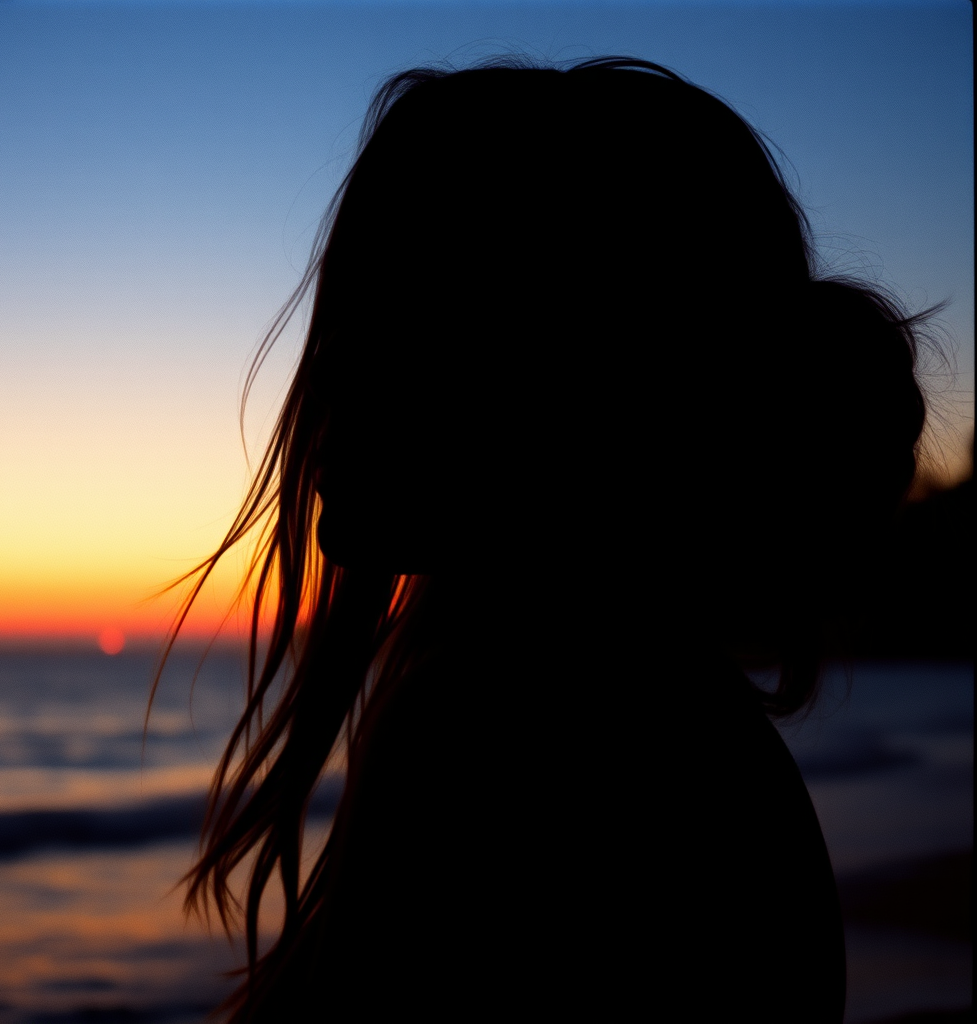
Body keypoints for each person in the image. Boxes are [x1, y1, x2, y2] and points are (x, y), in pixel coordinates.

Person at [155, 56, 943, 1022]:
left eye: (391, 339)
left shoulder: (491, 731)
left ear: (551, 383)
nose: (323, 409)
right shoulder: (679, 726)